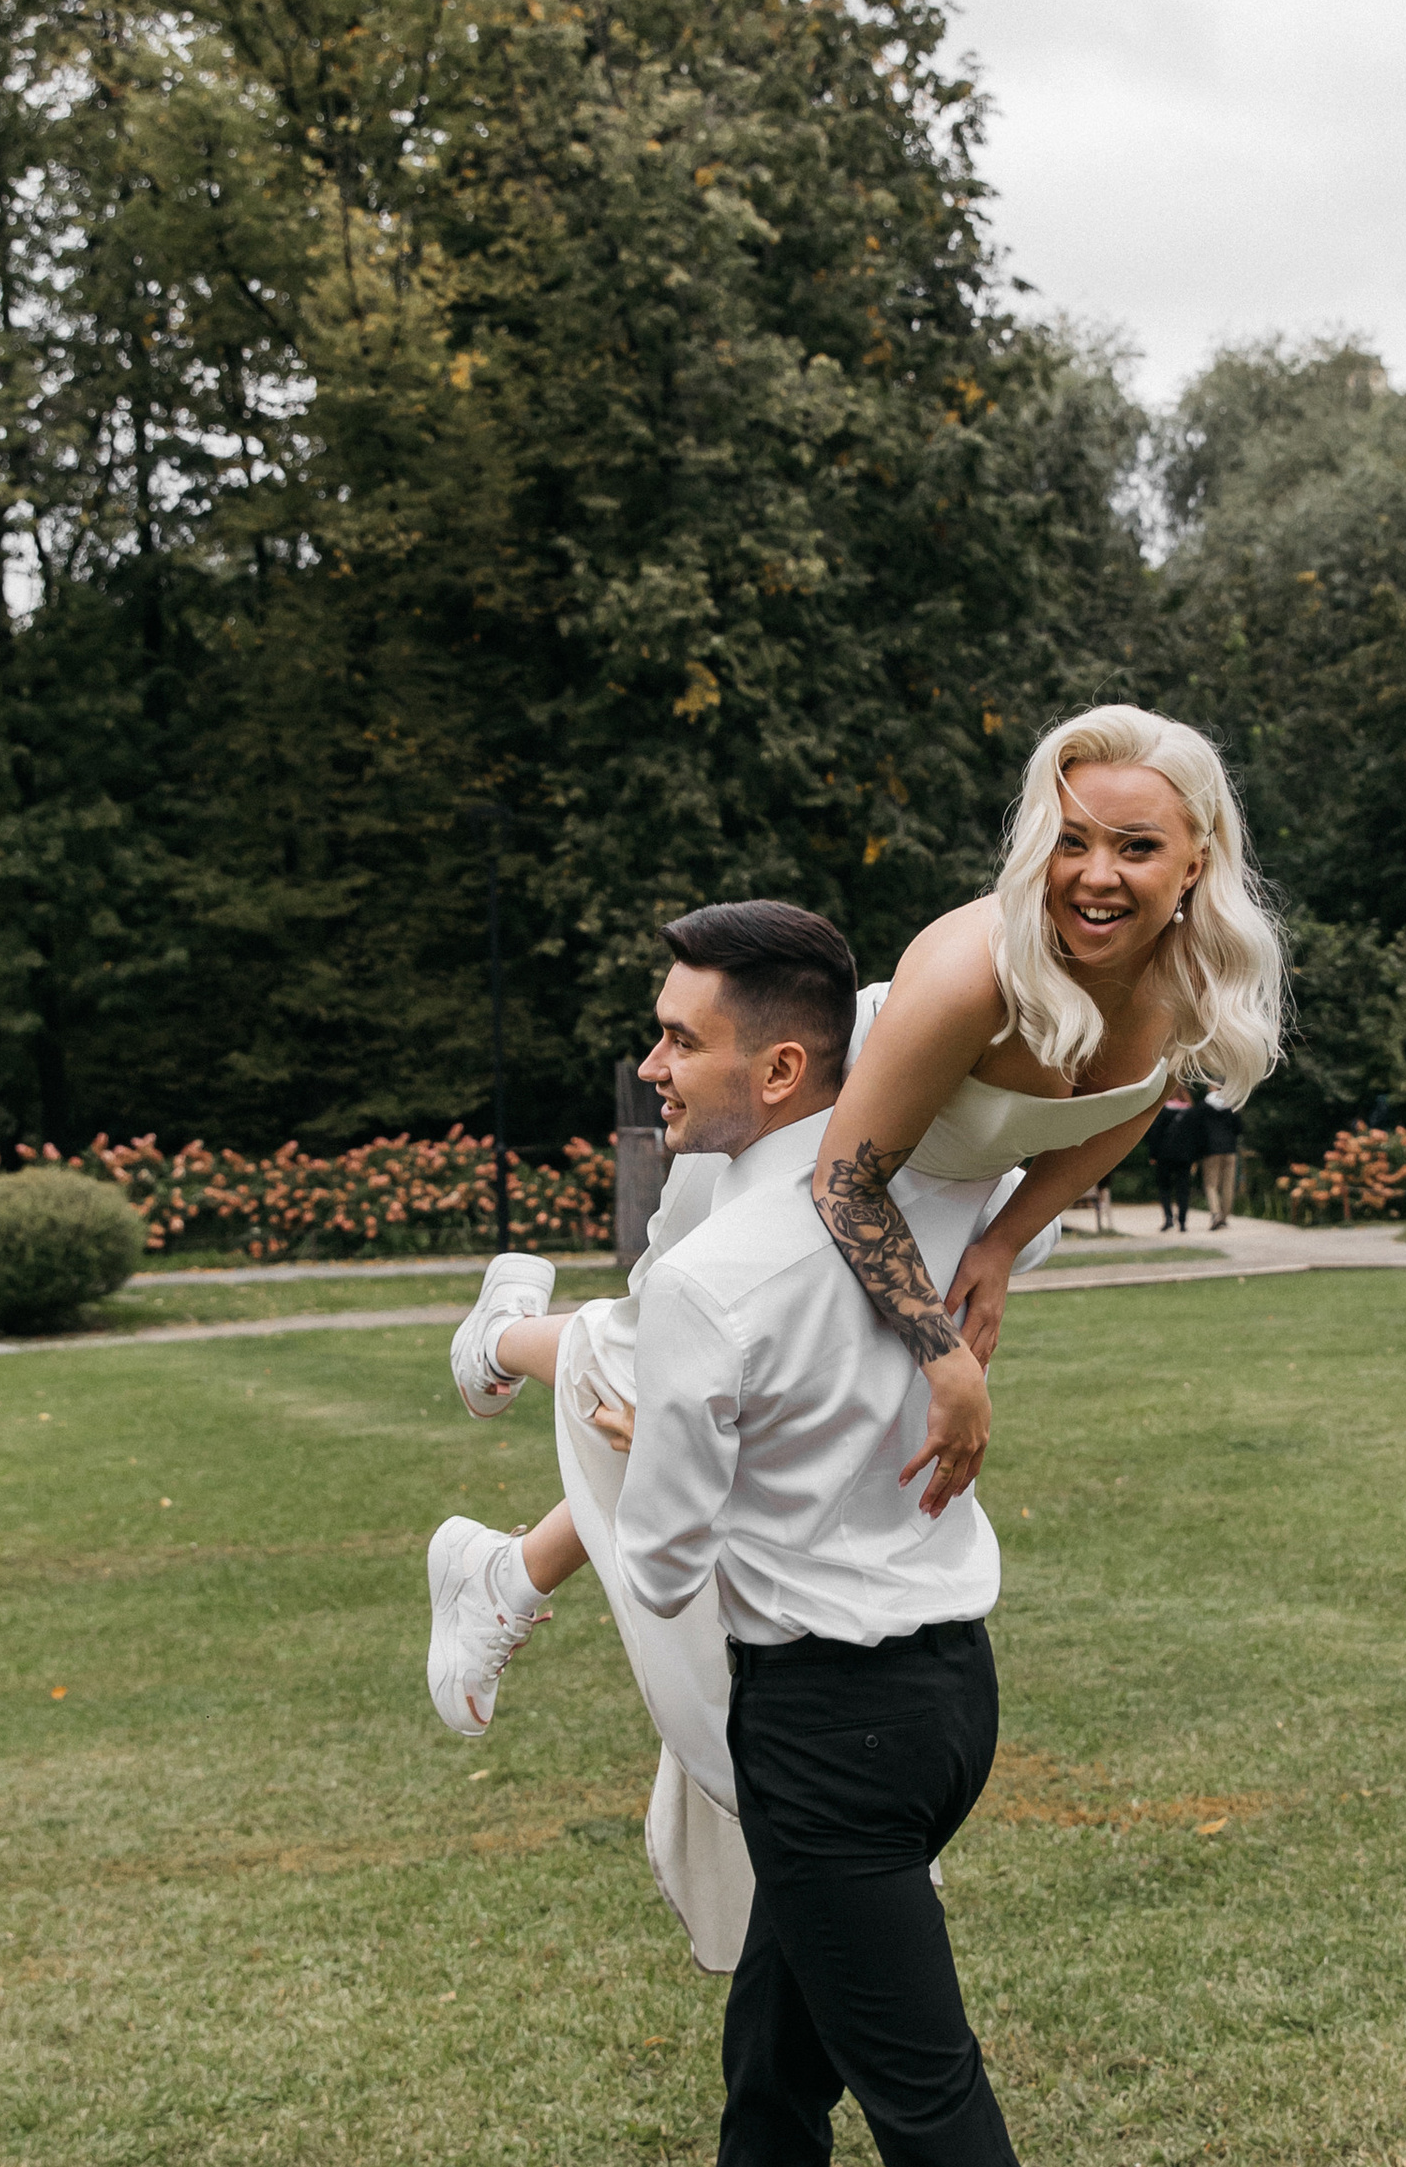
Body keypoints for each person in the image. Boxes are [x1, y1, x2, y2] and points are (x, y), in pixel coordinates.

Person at [534, 899, 1216, 2167]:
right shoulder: (918, 1206)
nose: (650, 1064)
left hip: (826, 1735)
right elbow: (1110, 1102)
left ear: (784, 1062)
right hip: (946, 1705)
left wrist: (591, 1415)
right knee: (778, 2057)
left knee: (941, 2136)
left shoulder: (705, 1280)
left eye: (675, 1038)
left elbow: (666, 1559)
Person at [423, 706, 1285, 1971]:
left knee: (758, 1412)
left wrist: (1001, 1247)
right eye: (1074, 840)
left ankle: (508, 1567)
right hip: (836, 1147)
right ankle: (506, 1339)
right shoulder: (971, 968)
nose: (1098, 875)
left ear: (1196, 859)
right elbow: (841, 1185)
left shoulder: (1188, 983)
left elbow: (1117, 1110)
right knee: (683, 1359)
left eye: (1137, 847)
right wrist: (943, 1355)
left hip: (954, 1199)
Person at [1145, 1086, 1202, 1230]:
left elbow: (1154, 1134)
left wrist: (1153, 1154)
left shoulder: (1162, 1111)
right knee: (1183, 1188)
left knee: (1164, 1188)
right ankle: (1182, 1222)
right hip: (1184, 1157)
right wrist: (1195, 1156)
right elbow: (1197, 1137)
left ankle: (1168, 1218)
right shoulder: (1192, 1113)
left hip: (1165, 1155)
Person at [1197, 1088, 1243, 1231]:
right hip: (1230, 1149)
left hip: (1211, 1150)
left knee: (1211, 1184)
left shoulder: (1204, 1106)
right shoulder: (1232, 1105)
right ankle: (1225, 1216)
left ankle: (1216, 1214)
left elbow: (1199, 1128)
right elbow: (1239, 1128)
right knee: (1228, 1185)